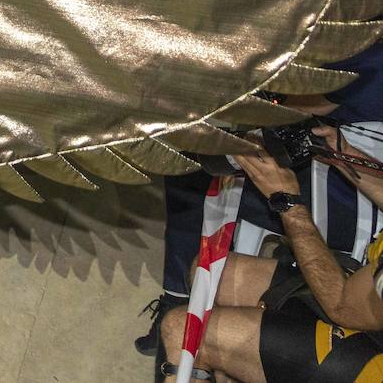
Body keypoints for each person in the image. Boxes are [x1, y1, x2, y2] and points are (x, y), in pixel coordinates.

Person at [157, 129, 383, 382]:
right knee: (211, 273)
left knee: (182, 329)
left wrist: (288, 203)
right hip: (367, 297)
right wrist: (345, 154)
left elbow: (342, 307)